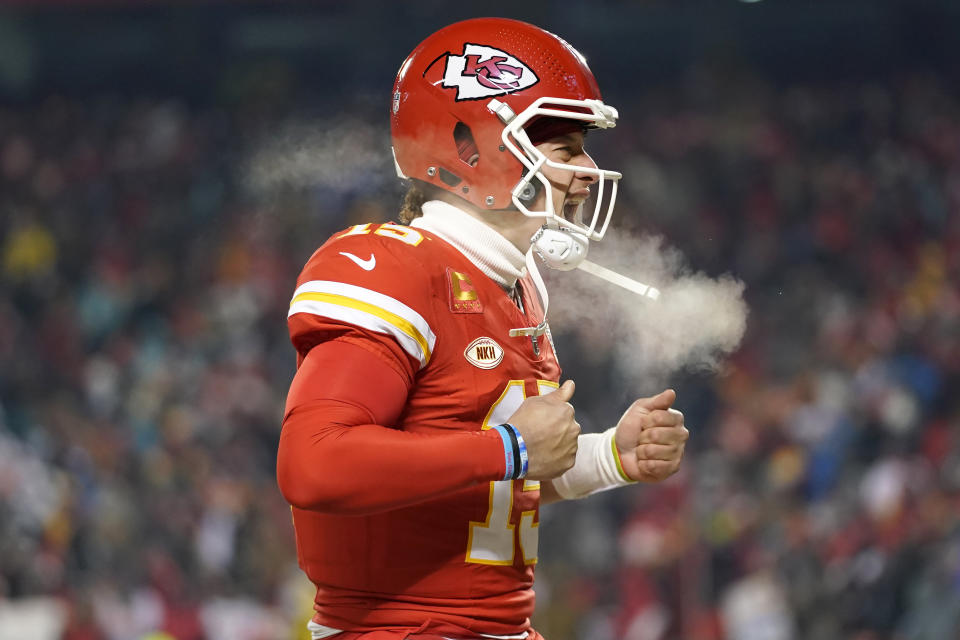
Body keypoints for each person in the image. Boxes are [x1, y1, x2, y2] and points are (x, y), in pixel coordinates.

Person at [276, 17, 689, 640]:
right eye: (567, 148)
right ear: (473, 148)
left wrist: (609, 457)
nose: (586, 170)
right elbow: (313, 463)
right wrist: (511, 448)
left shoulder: (517, 284)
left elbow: (477, 490)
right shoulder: (397, 267)